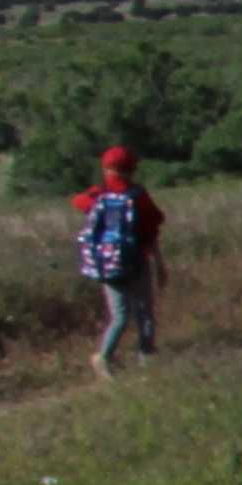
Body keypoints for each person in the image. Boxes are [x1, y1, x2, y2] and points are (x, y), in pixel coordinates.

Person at [74, 144, 166, 377]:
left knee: (120, 315)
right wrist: (159, 263)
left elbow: (78, 202)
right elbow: (153, 227)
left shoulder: (97, 196)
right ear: (132, 168)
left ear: (105, 168)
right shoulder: (138, 197)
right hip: (136, 261)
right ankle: (147, 360)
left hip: (106, 263)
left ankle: (104, 356)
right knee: (144, 312)